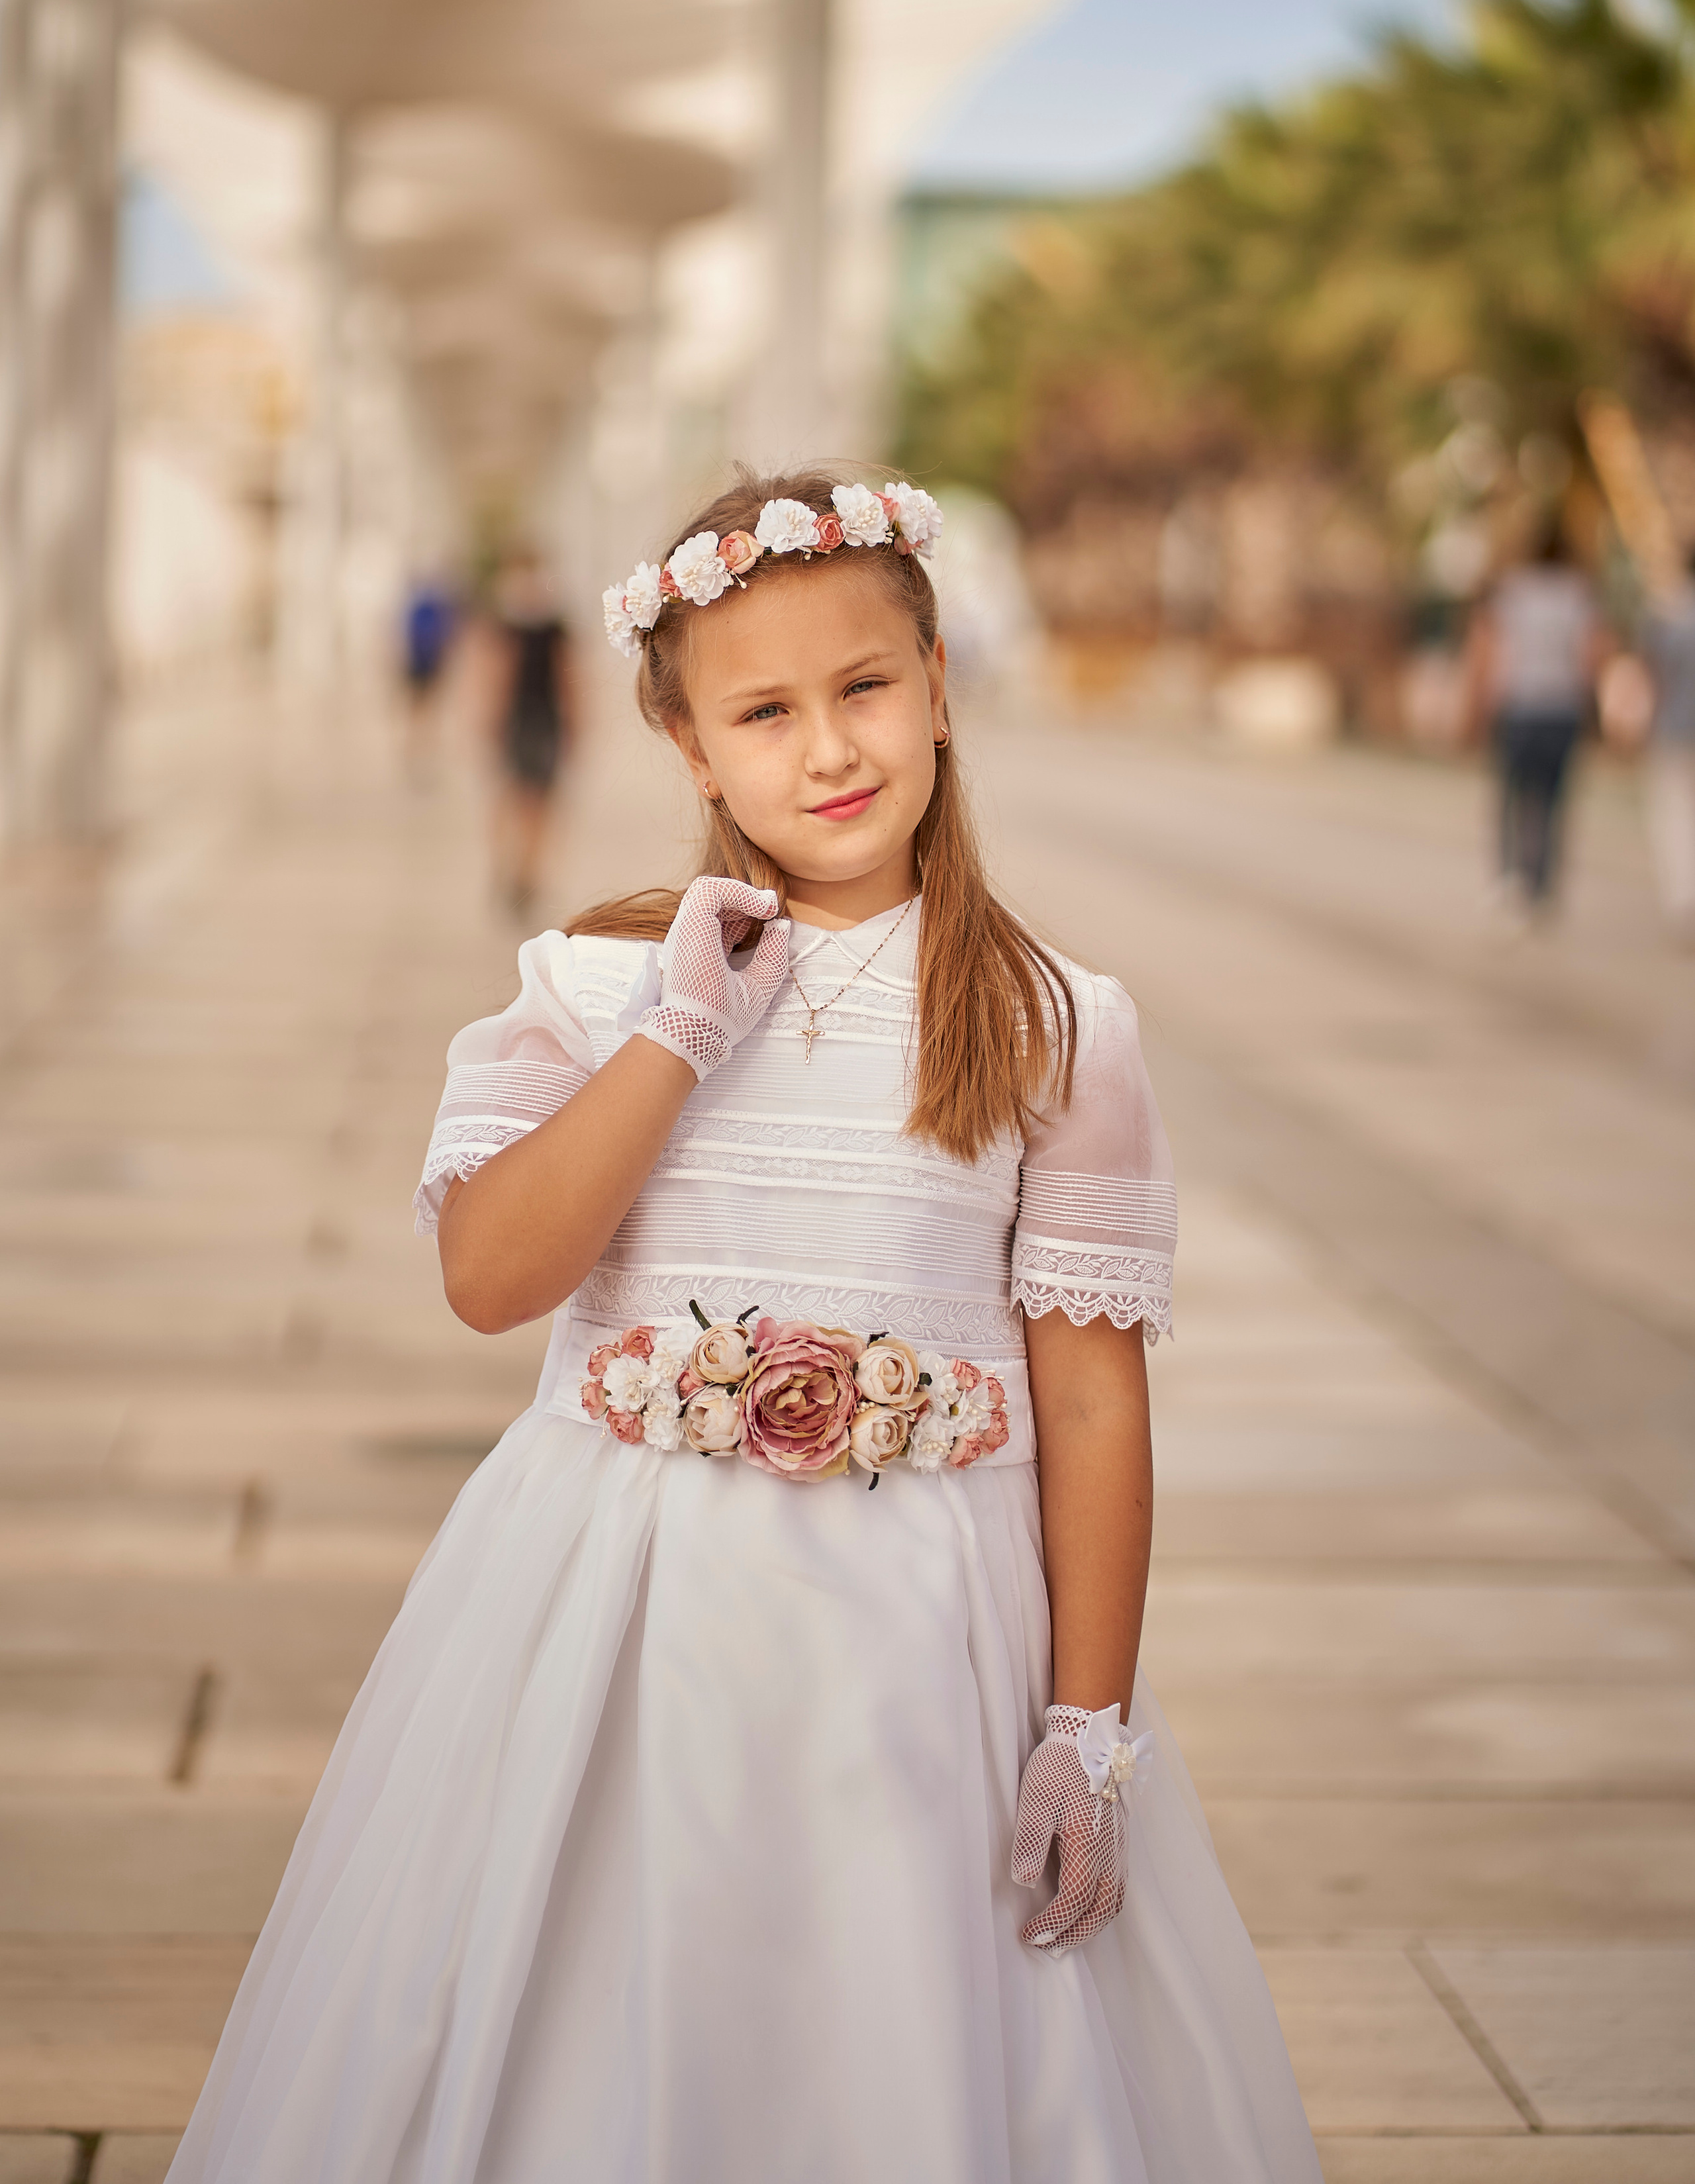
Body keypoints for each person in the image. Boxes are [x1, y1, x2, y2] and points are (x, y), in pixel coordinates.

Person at [166, 469, 1321, 2184]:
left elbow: (1088, 1403)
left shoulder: (1054, 1021)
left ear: (938, 682)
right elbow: (493, 1278)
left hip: (927, 1635)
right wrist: (675, 1037)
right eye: (764, 713)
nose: (828, 749)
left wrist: (1087, 1725)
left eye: (863, 688)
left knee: (899, 2028)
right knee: (627, 2012)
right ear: (691, 748)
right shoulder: (594, 979)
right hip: (628, 1613)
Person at [1466, 514, 1608, 919]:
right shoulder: (1580, 596)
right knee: (1553, 800)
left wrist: (1476, 709)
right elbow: (1592, 657)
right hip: (1562, 709)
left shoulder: (1511, 593)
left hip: (1519, 706)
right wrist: (1594, 708)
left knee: (1511, 797)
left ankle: (1509, 877)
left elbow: (1486, 654)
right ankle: (1542, 886)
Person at [483, 551, 573, 919]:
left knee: (527, 799)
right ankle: (520, 870)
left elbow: (566, 675)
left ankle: (522, 870)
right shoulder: (542, 625)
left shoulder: (525, 624)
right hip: (529, 719)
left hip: (531, 719)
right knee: (525, 799)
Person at [1640, 545, 1695, 943]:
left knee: (1675, 817)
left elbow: (1653, 676)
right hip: (1674, 729)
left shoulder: (1668, 615)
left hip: (1675, 730)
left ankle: (1683, 900)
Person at [400, 577, 458, 784]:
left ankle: (417, 750)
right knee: (425, 710)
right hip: (426, 665)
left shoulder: (417, 608)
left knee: (419, 710)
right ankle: (418, 750)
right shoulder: (433, 608)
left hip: (419, 665)